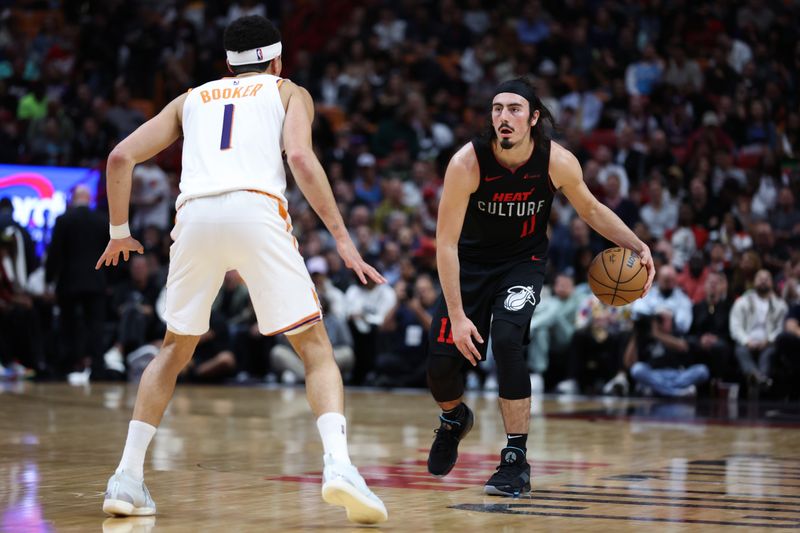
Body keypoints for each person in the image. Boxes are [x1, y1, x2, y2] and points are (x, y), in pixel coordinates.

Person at [96, 16, 387, 524]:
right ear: (277, 61)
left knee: (173, 349)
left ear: (226, 63)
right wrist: (342, 238)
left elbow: (121, 157)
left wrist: (119, 229)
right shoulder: (289, 91)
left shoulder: (191, 97)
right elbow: (298, 154)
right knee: (315, 347)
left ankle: (127, 477)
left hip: (196, 217)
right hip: (256, 209)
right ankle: (339, 467)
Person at [425, 77, 654, 497]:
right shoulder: (466, 163)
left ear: (533, 118)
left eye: (514, 109)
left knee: (508, 339)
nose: (503, 117)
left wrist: (636, 244)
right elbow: (445, 242)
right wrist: (457, 316)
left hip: (522, 264)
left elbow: (591, 208)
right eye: (497, 109)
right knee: (440, 366)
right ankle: (454, 418)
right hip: (469, 265)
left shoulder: (556, 161)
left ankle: (515, 460)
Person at [45, 185, 109, 381]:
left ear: (73, 198)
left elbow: (55, 253)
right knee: (95, 326)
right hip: (96, 281)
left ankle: (67, 365)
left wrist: (49, 280)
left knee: (68, 325)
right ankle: (97, 368)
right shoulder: (101, 220)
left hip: (69, 281)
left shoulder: (64, 220)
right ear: (89, 199)